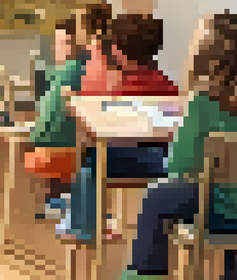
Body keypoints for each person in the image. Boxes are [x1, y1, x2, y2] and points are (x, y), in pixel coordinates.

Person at [90, 12, 237, 280]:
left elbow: (179, 165)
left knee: (159, 194)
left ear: (206, 52)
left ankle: (144, 276)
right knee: (207, 196)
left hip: (217, 212)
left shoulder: (203, 101)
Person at [59, 13, 178, 244]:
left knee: (90, 160)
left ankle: (82, 227)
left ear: (117, 52)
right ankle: (83, 223)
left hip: (128, 160)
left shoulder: (122, 89)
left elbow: (108, 133)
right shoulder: (168, 85)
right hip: (164, 161)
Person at [24, 16, 85, 219]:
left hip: (48, 149)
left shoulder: (68, 72)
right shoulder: (77, 70)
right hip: (60, 150)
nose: (59, 49)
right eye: (58, 43)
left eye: (65, 43)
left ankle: (59, 201)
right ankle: (66, 201)